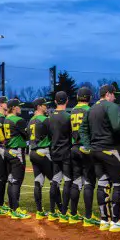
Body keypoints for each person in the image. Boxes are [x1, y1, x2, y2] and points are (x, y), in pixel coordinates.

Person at [79, 84, 120, 232]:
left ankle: (105, 220)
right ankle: (116, 222)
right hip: (110, 150)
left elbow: (82, 129)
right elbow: (117, 127)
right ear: (108, 94)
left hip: (95, 151)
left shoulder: (91, 109)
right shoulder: (112, 106)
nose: (115, 97)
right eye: (114, 94)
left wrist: (88, 145)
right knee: (118, 184)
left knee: (103, 183)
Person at [69, 87, 98, 227]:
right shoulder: (90, 110)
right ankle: (88, 216)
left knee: (76, 181)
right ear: (89, 98)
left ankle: (73, 214)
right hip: (86, 148)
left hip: (74, 147)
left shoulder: (73, 110)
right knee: (89, 182)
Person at [2, 98, 31, 220]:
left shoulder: (5, 119)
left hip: (8, 151)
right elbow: (27, 136)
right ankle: (15, 209)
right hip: (17, 151)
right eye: (18, 106)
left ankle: (11, 207)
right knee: (16, 181)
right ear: (14, 107)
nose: (20, 108)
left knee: (11, 180)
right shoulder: (18, 120)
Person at [48, 91, 74, 224]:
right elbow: (72, 135)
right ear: (67, 101)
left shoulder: (50, 117)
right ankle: (64, 212)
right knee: (68, 181)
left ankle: (52, 212)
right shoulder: (68, 117)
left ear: (55, 101)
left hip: (54, 152)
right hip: (66, 153)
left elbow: (49, 136)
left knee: (55, 181)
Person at [28, 97, 54, 220]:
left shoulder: (30, 120)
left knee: (38, 181)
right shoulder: (44, 119)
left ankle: (39, 211)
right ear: (39, 106)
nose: (46, 107)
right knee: (54, 180)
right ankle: (55, 210)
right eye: (44, 105)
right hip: (43, 152)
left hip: (32, 153)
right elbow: (54, 135)